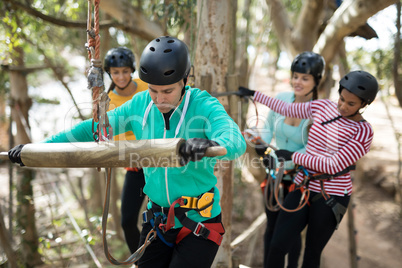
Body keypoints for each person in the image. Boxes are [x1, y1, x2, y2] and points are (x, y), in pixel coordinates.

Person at [9, 36, 246, 268]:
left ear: (185, 80)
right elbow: (94, 129)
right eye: (154, 91)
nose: (160, 99)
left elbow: (235, 139)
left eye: (168, 91)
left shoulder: (203, 104)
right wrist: (36, 150)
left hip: (199, 222)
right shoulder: (140, 103)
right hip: (159, 221)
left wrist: (210, 144)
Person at [238, 69, 378, 268]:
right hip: (303, 185)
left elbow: (334, 164)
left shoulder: (363, 132)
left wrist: (293, 156)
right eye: (341, 99)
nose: (343, 106)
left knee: (312, 254)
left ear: (364, 104)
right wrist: (254, 94)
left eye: (351, 103)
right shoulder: (323, 106)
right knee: (277, 245)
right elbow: (287, 109)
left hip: (332, 196)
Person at [255, 51, 324, 268]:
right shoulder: (282, 99)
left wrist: (286, 161)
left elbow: (311, 149)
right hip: (274, 174)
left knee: (291, 235)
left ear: (316, 81)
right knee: (272, 228)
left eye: (304, 78)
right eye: (295, 76)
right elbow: (267, 129)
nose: (298, 82)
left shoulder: (319, 112)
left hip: (299, 181)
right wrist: (263, 148)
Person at [103, 47, 148, 253]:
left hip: (159, 161)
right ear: (110, 74)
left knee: (164, 218)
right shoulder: (108, 101)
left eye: (124, 71)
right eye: (115, 72)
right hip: (135, 168)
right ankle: (139, 261)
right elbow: (114, 134)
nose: (120, 76)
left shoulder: (146, 87)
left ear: (131, 70)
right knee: (127, 221)